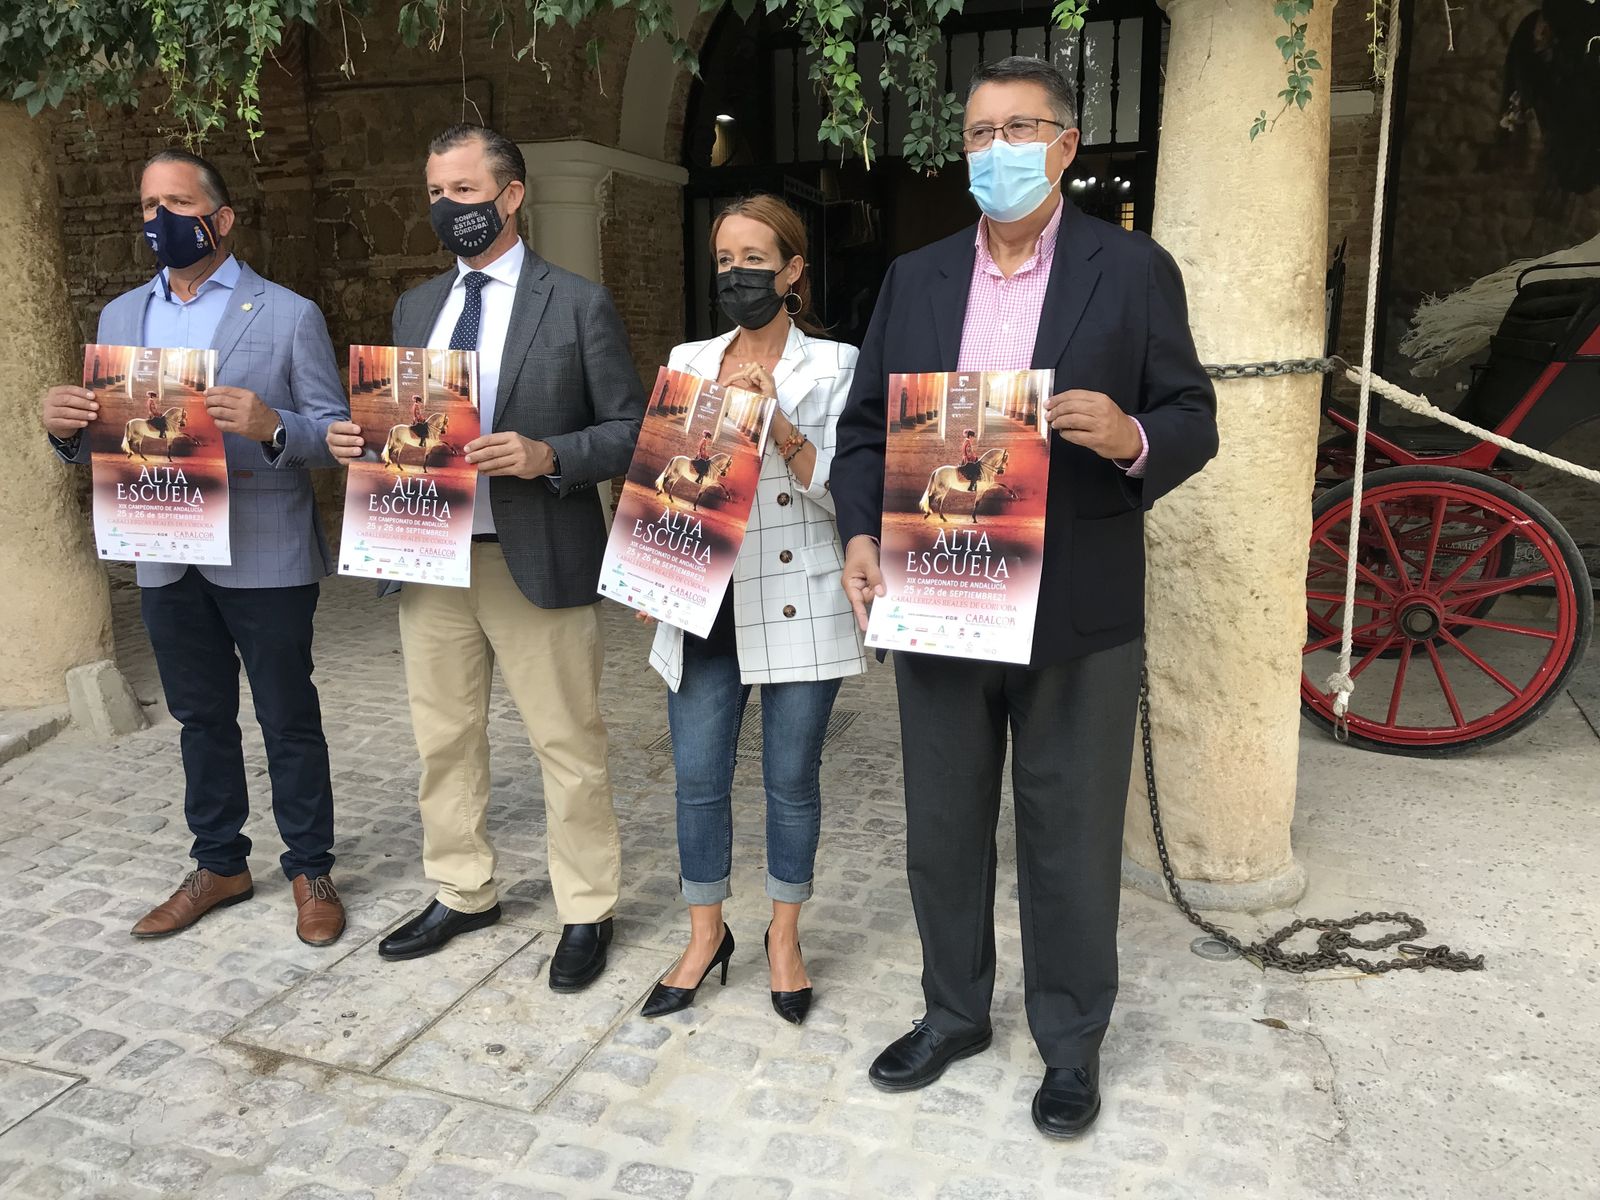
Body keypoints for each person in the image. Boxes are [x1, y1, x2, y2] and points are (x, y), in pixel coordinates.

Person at [831, 57, 1218, 1138]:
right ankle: (953, 1012)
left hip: (1076, 608)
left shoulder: (1131, 270)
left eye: (1018, 128)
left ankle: (1070, 1044)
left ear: (1064, 145)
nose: (994, 148)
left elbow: (1193, 412)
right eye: (976, 132)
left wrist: (1134, 435)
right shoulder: (915, 278)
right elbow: (866, 430)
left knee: (1069, 836)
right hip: (939, 591)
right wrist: (860, 535)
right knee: (942, 830)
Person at [326, 124, 645, 991]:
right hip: (429, 555)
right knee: (444, 739)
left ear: (512, 195)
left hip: (535, 554)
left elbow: (628, 431)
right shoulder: (415, 307)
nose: (446, 208)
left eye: (463, 191)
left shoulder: (576, 303)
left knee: (566, 743)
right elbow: (409, 424)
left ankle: (587, 907)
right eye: (436, 192)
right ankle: (463, 889)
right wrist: (362, 440)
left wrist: (550, 456)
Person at [40, 149, 350, 947]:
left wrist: (274, 426)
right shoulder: (118, 319)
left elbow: (335, 433)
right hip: (163, 548)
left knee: (288, 715)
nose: (160, 221)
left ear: (222, 217)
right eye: (148, 206)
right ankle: (219, 863)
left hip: (264, 550)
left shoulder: (287, 313)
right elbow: (108, 438)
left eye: (177, 203)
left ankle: (311, 867)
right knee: (199, 716)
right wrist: (65, 431)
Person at [640, 194, 867, 1024]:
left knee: (789, 781)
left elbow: (853, 495)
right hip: (703, 600)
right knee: (698, 780)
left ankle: (783, 935)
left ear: (794, 270)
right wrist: (650, 571)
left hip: (800, 595)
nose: (738, 275)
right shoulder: (689, 356)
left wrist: (780, 423)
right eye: (725, 261)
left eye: (755, 261)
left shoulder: (837, 364)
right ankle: (705, 935)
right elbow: (669, 478)